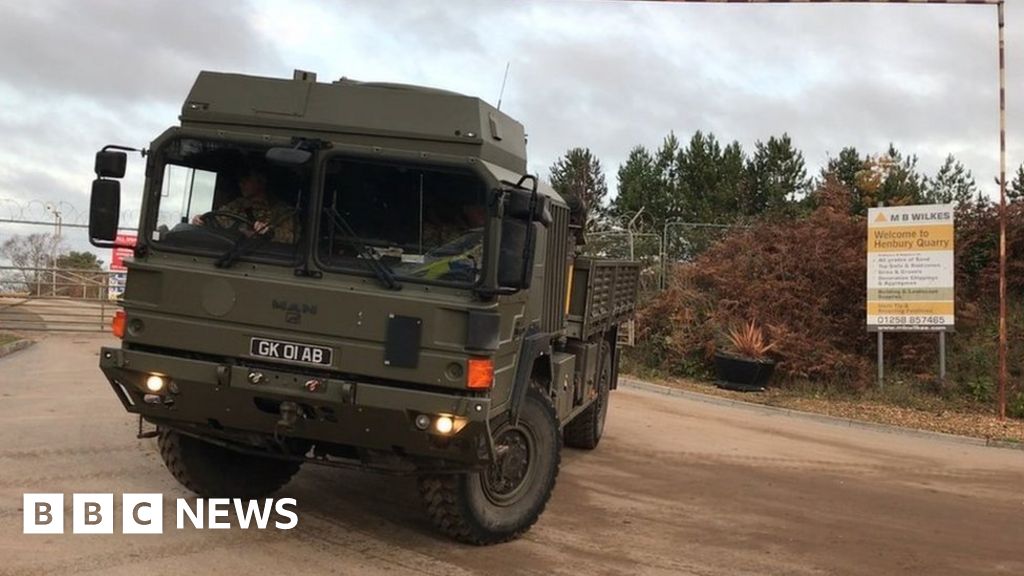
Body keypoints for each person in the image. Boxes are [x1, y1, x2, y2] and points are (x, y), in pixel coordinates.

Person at [191, 169, 298, 243]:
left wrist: (269, 232)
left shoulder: (282, 211)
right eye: (240, 179)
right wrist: (202, 221)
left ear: (261, 180)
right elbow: (217, 220)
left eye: (247, 178)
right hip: (231, 254)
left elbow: (293, 238)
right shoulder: (236, 205)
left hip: (265, 260)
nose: (241, 183)